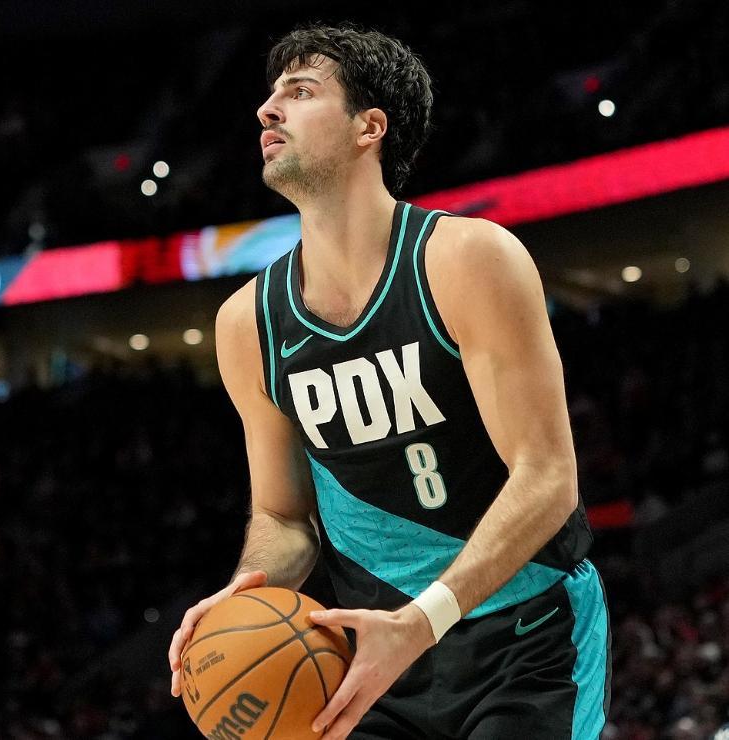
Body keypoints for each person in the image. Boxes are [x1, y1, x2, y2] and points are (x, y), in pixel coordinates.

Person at [168, 22, 611, 740]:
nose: (267, 110)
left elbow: (548, 477)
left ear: (369, 127)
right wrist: (244, 597)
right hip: (375, 658)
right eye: (271, 96)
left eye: (300, 92)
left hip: (527, 639)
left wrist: (424, 619)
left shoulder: (467, 260)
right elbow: (284, 518)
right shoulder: (247, 323)